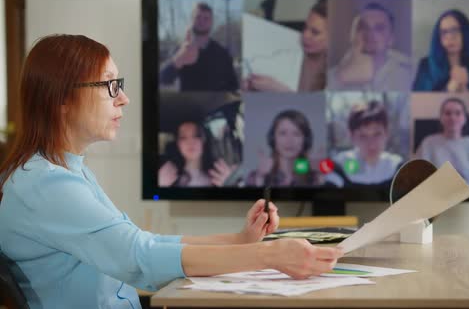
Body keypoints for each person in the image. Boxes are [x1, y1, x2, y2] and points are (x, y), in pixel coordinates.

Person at [0, 34, 343, 309]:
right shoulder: (46, 183)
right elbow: (139, 258)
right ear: (61, 98)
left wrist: (239, 241)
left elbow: (143, 243)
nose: (124, 99)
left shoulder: (66, 170)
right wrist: (267, 255)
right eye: (109, 86)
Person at [243, 0, 328, 92]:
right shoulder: (287, 58)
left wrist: (281, 91)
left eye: (315, 32)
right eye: (305, 27)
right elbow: (251, 67)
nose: (305, 35)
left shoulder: (339, 74)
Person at [327, 2, 412, 91]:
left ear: (391, 39)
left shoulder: (408, 77)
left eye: (379, 28)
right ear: (354, 35)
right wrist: (340, 79)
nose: (369, 33)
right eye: (363, 27)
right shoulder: (332, 75)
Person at [415, 97, 469, 188]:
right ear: (441, 118)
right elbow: (417, 179)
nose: (452, 117)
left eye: (458, 113)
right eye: (448, 113)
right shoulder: (428, 143)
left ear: (464, 118)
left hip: (468, 198)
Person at [160, 2, 239, 91]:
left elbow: (233, 85)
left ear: (211, 22)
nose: (202, 21)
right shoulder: (180, 50)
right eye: (198, 17)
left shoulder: (222, 53)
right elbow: (163, 80)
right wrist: (179, 59)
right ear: (191, 20)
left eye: (206, 18)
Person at [413, 9, 469, 92]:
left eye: (455, 30)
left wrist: (465, 89)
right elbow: (417, 101)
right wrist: (448, 90)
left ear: (466, 33)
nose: (449, 37)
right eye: (444, 32)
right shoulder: (426, 66)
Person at [326, 101, 403, 187]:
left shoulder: (397, 167)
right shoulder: (339, 166)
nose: (371, 144)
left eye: (377, 134)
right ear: (352, 137)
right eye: (363, 136)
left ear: (386, 133)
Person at [246, 110, 322, 186]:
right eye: (283, 133)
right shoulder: (255, 177)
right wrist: (260, 178)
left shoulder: (314, 178)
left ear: (305, 140)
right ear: (273, 139)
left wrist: (320, 178)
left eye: (296, 134)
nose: (289, 141)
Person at [158, 120, 236, 187]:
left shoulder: (220, 174)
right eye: (183, 137)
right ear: (178, 144)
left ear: (204, 140)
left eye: (196, 136)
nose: (190, 142)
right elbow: (155, 199)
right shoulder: (166, 174)